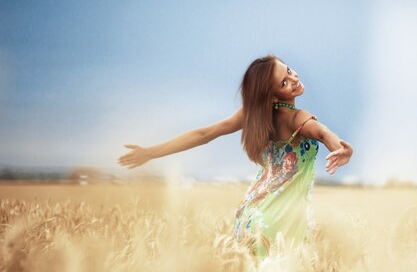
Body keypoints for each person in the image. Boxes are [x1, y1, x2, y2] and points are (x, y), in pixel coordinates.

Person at [117, 54, 353, 259]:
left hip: (249, 217)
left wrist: (150, 153)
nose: (293, 79)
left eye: (289, 71)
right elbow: (321, 132)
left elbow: (203, 134)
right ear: (272, 96)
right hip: (281, 222)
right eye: (284, 82)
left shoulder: (254, 115)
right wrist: (340, 147)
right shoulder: (297, 118)